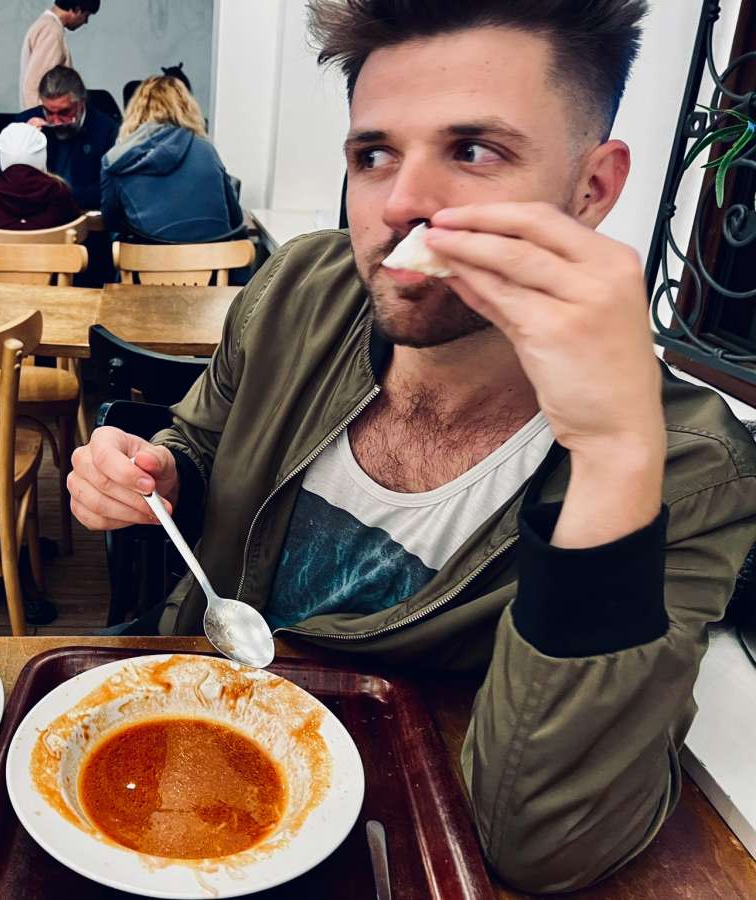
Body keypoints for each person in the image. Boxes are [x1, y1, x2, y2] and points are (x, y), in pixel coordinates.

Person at [66, 0, 756, 893]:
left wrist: (614, 455)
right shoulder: (299, 289)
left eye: (474, 151)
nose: (402, 204)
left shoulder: (687, 470)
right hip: (182, 744)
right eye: (374, 154)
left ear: (593, 187)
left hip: (389, 839)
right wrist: (156, 471)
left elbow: (543, 844)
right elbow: (199, 437)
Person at [100, 76, 242, 243]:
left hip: (149, 265)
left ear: (135, 112)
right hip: (214, 265)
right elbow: (235, 218)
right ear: (186, 108)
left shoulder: (117, 160)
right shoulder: (206, 150)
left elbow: (111, 222)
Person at [16, 65, 119, 211]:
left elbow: (112, 189)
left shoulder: (107, 130)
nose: (56, 121)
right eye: (49, 112)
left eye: (64, 112)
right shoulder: (25, 122)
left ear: (81, 102)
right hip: (33, 215)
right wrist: (22, 145)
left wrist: (55, 197)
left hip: (83, 215)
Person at [0, 122, 81, 231]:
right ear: (42, 155)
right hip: (49, 248)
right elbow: (74, 222)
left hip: (3, 248)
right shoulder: (59, 192)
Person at [19, 1, 100, 110]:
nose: (86, 22)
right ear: (77, 10)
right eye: (86, 15)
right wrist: (37, 119)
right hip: (43, 120)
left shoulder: (46, 24)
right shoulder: (52, 30)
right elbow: (35, 84)